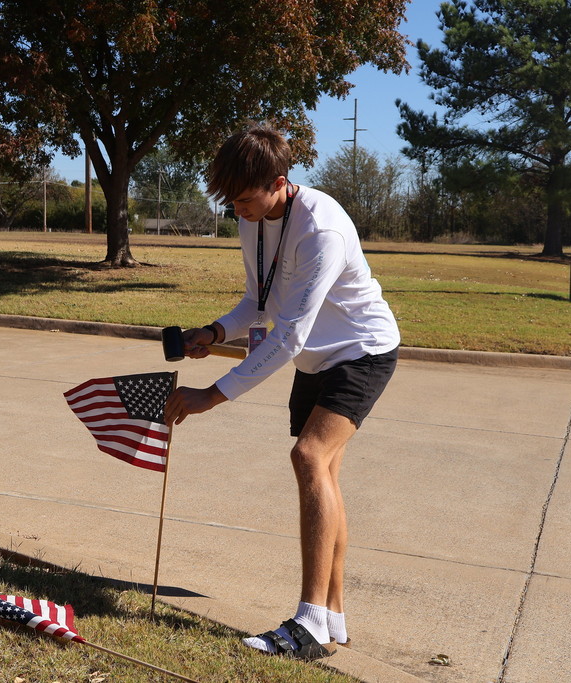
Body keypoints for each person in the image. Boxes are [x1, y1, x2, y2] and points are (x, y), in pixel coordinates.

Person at [163, 125, 399, 662]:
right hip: (317, 355)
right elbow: (260, 301)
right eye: (230, 201)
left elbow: (288, 334)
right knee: (325, 474)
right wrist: (215, 333)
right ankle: (334, 618)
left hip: (361, 350)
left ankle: (309, 621)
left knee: (308, 456)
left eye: (246, 199)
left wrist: (213, 395)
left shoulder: (321, 229)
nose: (239, 210)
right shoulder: (257, 221)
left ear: (279, 181)